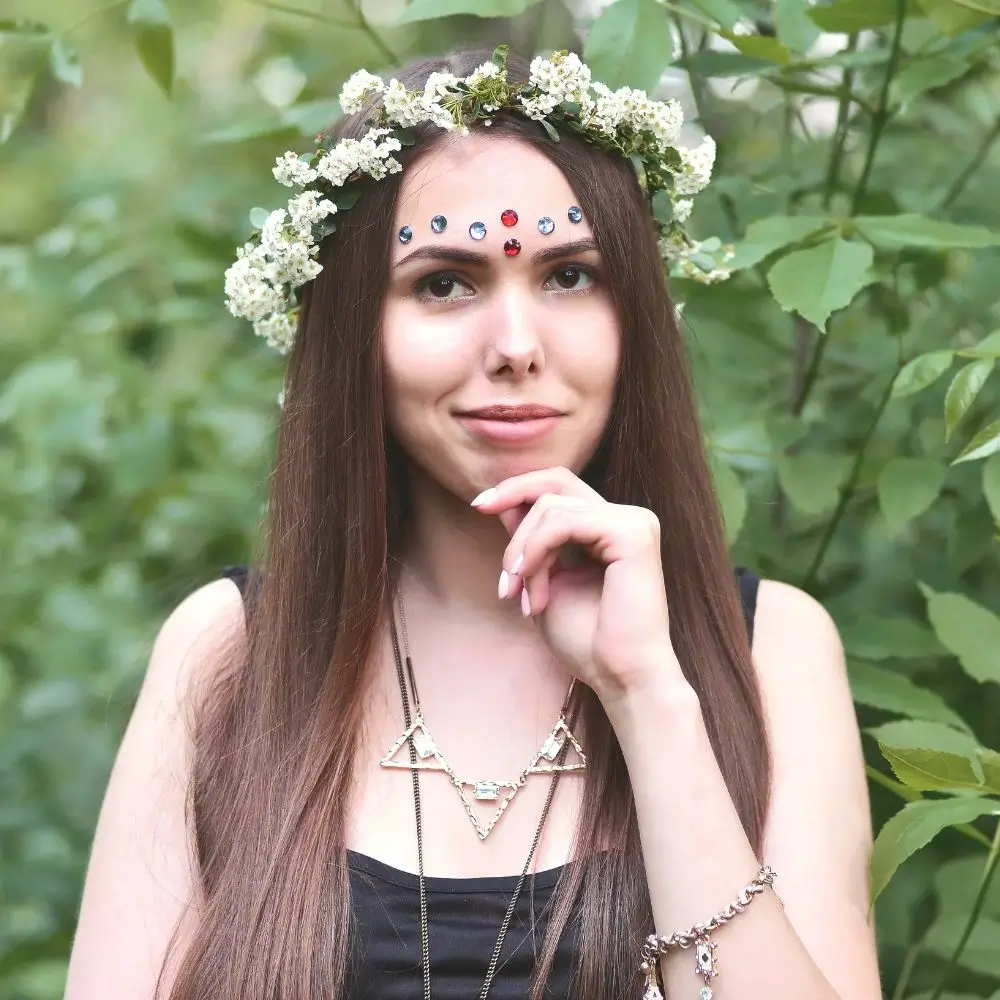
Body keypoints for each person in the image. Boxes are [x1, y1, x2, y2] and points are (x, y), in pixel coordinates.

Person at [66, 45, 881, 1000]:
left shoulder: (770, 650)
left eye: (570, 276)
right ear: (351, 331)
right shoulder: (231, 652)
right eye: (444, 283)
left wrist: (649, 698)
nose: (517, 347)